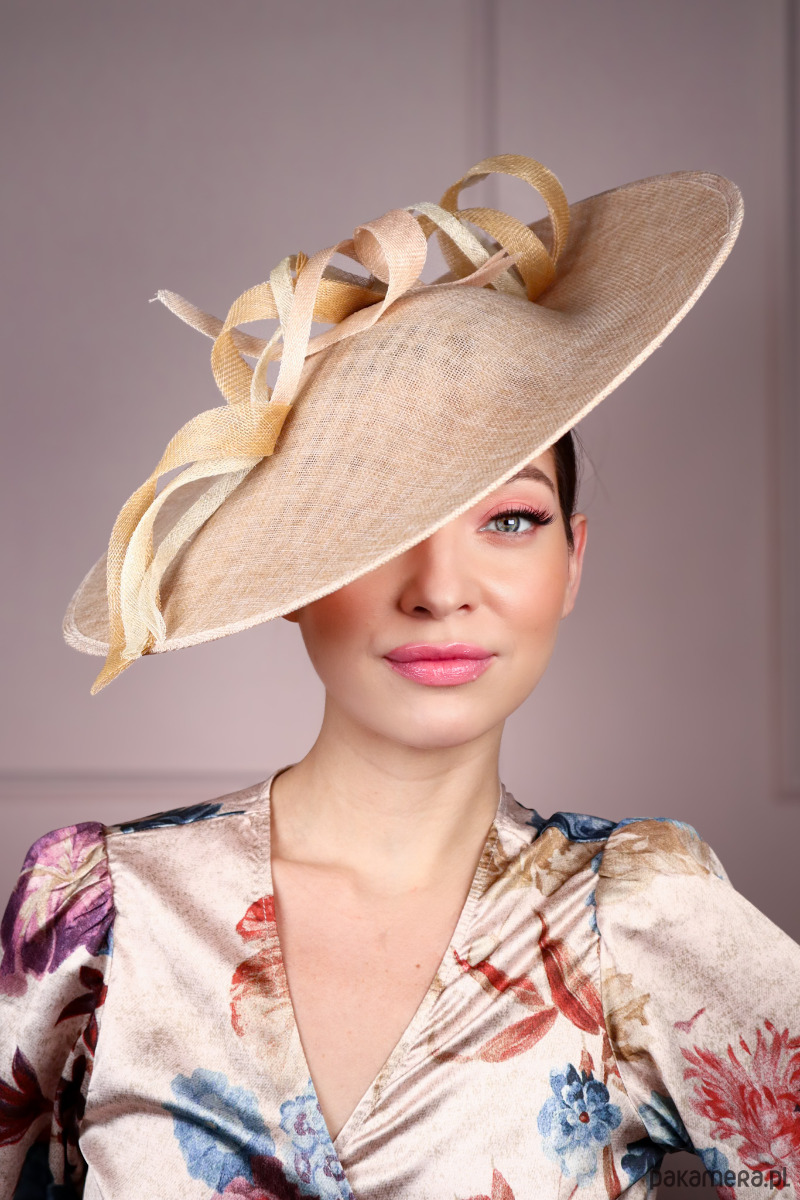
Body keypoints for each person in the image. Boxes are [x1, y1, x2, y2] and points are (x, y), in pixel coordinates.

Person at [1, 155, 797, 1200]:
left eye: (509, 519)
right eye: (378, 529)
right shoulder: (107, 912)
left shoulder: (640, 916)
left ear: (571, 562)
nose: (440, 590)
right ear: (285, 577)